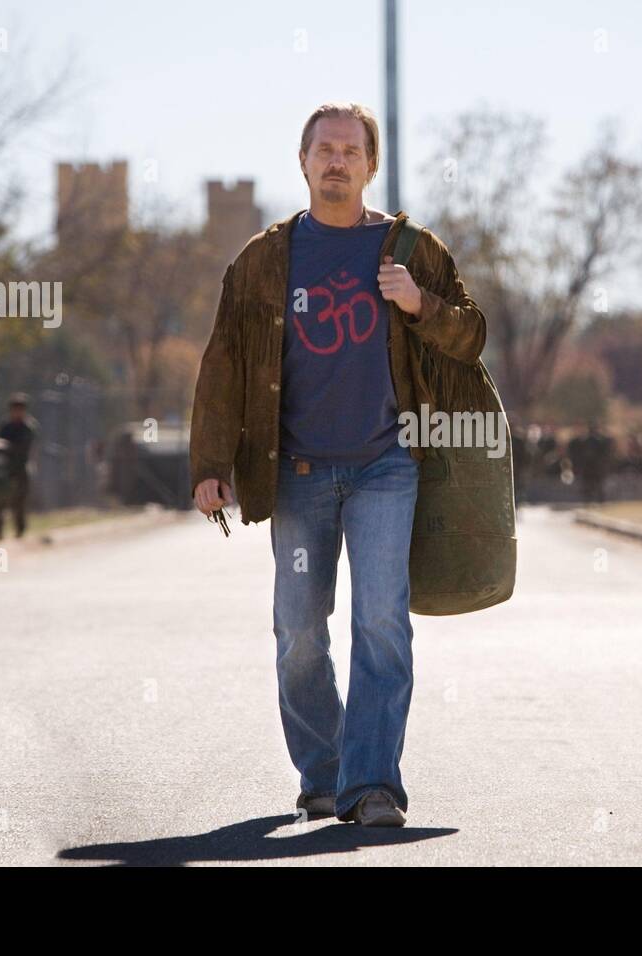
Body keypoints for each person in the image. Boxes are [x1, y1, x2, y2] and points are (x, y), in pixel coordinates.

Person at [189, 102, 487, 827]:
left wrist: (419, 303)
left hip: (388, 465)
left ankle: (373, 784)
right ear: (302, 161)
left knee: (381, 621)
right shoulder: (263, 259)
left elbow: (472, 335)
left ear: (371, 165)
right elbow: (224, 362)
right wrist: (209, 463)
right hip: (296, 473)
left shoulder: (411, 248)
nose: (337, 162)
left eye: (351, 151)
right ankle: (323, 773)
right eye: (324, 150)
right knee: (299, 629)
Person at [0, 393, 38, 537]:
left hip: (21, 467)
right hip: (6, 469)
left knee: (20, 501)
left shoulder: (28, 427)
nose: (17, 412)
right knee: (1, 500)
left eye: (20, 409)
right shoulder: (5, 426)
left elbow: (24, 447)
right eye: (15, 409)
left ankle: (20, 530)